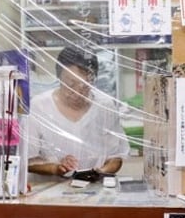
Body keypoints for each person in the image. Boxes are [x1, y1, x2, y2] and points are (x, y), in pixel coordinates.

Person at [28, 46, 129, 179]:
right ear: (59, 78)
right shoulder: (40, 106)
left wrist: (99, 172)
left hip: (92, 192)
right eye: (70, 85)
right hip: (48, 194)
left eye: (85, 85)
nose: (77, 92)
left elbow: (116, 156)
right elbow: (27, 160)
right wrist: (55, 168)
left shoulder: (105, 107)